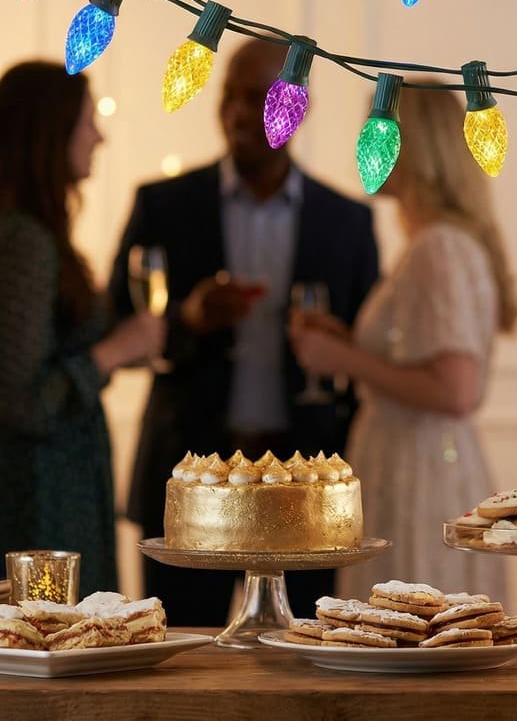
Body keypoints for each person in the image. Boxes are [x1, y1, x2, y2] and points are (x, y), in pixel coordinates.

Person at [109, 37, 378, 623]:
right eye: (228, 96)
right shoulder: (162, 204)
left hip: (305, 491)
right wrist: (187, 318)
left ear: (296, 108)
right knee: (181, 663)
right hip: (189, 481)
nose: (234, 112)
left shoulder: (348, 222)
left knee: (310, 662)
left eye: (254, 98)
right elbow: (113, 327)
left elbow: (366, 351)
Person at [289, 83, 517, 600]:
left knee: (409, 620)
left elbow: (455, 389)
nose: (363, 147)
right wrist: (354, 344)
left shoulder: (437, 247)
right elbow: (426, 360)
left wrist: (342, 358)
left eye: (377, 133)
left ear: (414, 146)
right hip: (415, 459)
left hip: (421, 467)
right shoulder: (435, 241)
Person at [0, 61, 165, 596]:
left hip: (55, 490)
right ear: (50, 133)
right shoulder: (23, 240)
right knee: (51, 639)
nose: (99, 135)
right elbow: (21, 400)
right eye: (87, 121)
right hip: (40, 501)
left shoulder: (33, 230)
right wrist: (113, 352)